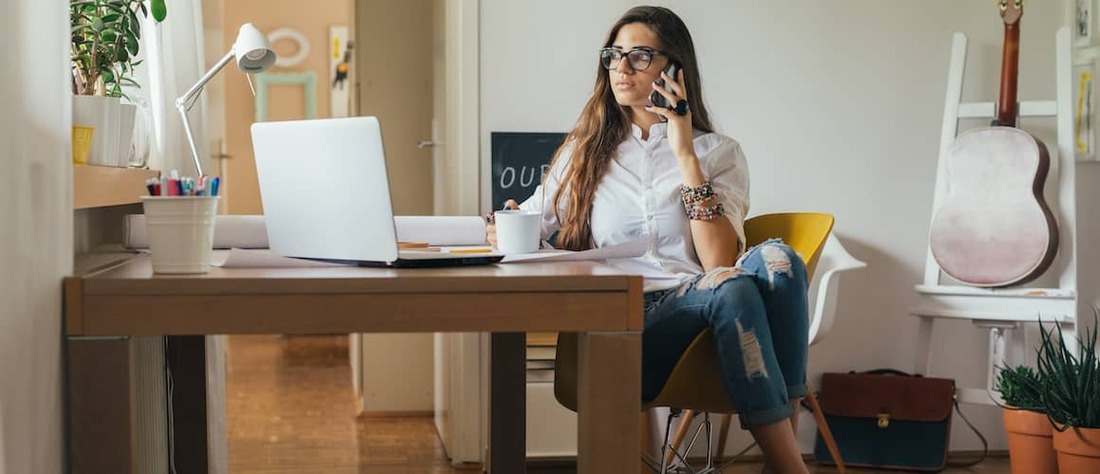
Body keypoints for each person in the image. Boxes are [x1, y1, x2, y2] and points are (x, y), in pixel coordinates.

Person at [487, 6, 810, 473]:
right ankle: (789, 463)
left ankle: (783, 453)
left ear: (674, 67)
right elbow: (531, 221)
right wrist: (506, 220)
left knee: (778, 259)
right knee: (733, 285)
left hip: (707, 314)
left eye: (639, 56)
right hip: (629, 319)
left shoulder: (717, 152)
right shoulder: (584, 152)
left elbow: (717, 259)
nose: (621, 68)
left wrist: (683, 149)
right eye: (613, 56)